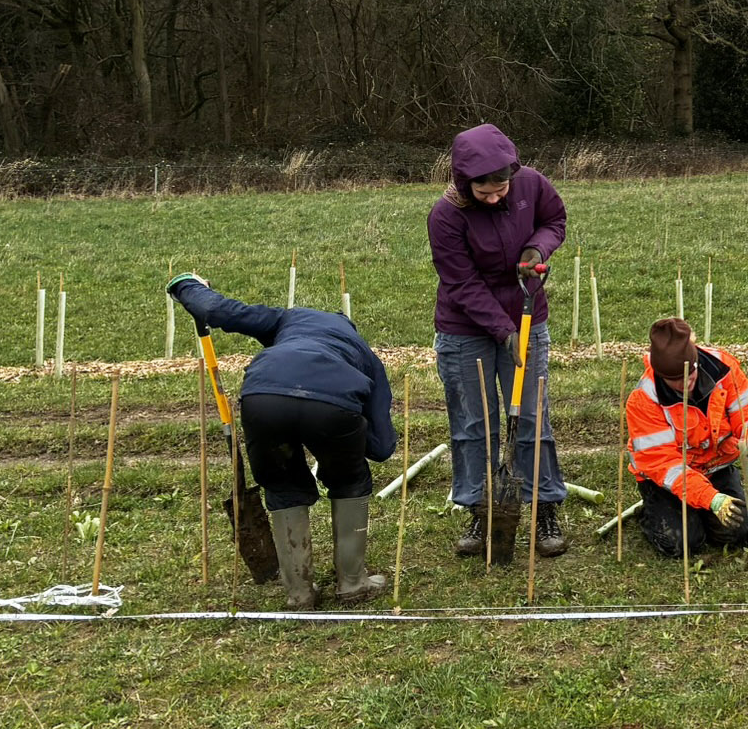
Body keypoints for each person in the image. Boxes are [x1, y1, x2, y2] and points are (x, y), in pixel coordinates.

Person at [167, 273, 395, 610]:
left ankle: (299, 594)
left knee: (282, 485)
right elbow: (383, 446)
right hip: (334, 404)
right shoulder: (364, 353)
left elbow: (219, 310)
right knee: (350, 479)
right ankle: (352, 583)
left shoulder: (285, 319)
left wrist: (186, 285)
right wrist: (349, 447)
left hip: (264, 398)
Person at [427, 123, 569, 558]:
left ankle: (544, 507)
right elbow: (462, 283)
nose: (496, 197)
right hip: (465, 327)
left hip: (527, 315)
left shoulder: (531, 184)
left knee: (530, 414)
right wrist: (503, 331)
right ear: (464, 182)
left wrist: (536, 251)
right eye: (485, 192)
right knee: (475, 422)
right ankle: (480, 509)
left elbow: (554, 220)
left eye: (501, 188)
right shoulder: (446, 215)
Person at [626, 318, 748, 558]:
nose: (686, 383)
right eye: (676, 380)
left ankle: (700, 512)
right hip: (668, 483)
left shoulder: (723, 368)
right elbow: (665, 466)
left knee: (738, 531)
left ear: (696, 359)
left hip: (717, 467)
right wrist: (711, 499)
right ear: (661, 374)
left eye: (690, 374)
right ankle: (654, 512)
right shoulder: (644, 401)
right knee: (682, 544)